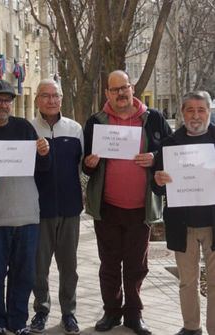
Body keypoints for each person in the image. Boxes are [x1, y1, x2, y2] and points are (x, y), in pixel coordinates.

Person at [83, 70, 171, 335]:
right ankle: (111, 313)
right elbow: (86, 163)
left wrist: (155, 157)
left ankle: (134, 315)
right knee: (109, 263)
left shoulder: (153, 118)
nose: (120, 93)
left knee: (137, 265)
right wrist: (89, 164)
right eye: (114, 89)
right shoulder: (96, 121)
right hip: (107, 207)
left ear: (132, 88)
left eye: (124, 88)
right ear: (107, 93)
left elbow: (170, 151)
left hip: (140, 208)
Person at [0, 79, 50, 335]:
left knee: (23, 275)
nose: (3, 105)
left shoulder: (24, 127)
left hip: (27, 215)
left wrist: (43, 153)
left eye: (7, 100)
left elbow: (42, 170)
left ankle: (17, 324)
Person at [152, 91, 215, 335]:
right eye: (191, 110)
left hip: (213, 223)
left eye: (201, 110)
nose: (196, 115)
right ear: (182, 113)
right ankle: (191, 327)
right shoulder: (170, 144)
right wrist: (158, 179)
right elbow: (156, 185)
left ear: (209, 112)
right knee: (187, 281)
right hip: (183, 224)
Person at [28, 79, 83, 334]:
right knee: (39, 266)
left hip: (70, 209)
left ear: (61, 98)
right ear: (37, 99)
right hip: (38, 209)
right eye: (45, 96)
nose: (51, 100)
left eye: (55, 96)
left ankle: (69, 312)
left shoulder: (74, 129)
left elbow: (84, 168)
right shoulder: (28, 129)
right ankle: (41, 310)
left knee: (69, 266)